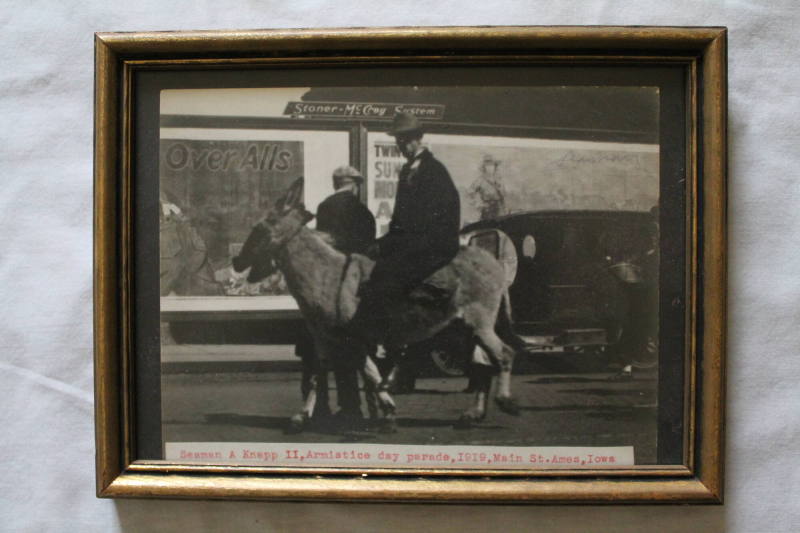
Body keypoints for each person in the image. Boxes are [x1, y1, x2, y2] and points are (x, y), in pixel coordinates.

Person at [351, 111, 461, 329]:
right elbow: (400, 219)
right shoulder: (406, 171)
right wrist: (382, 243)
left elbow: (434, 218)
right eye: (398, 140)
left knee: (389, 279)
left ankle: (393, 339)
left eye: (405, 139)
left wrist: (402, 244)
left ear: (417, 139)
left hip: (434, 244)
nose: (401, 145)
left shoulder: (434, 170)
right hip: (414, 240)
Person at [297, 165, 376, 424]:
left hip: (323, 285)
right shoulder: (362, 212)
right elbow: (367, 252)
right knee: (350, 349)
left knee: (316, 349)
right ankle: (353, 408)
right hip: (350, 286)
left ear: (335, 183)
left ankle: (318, 407)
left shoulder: (324, 207)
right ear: (354, 184)